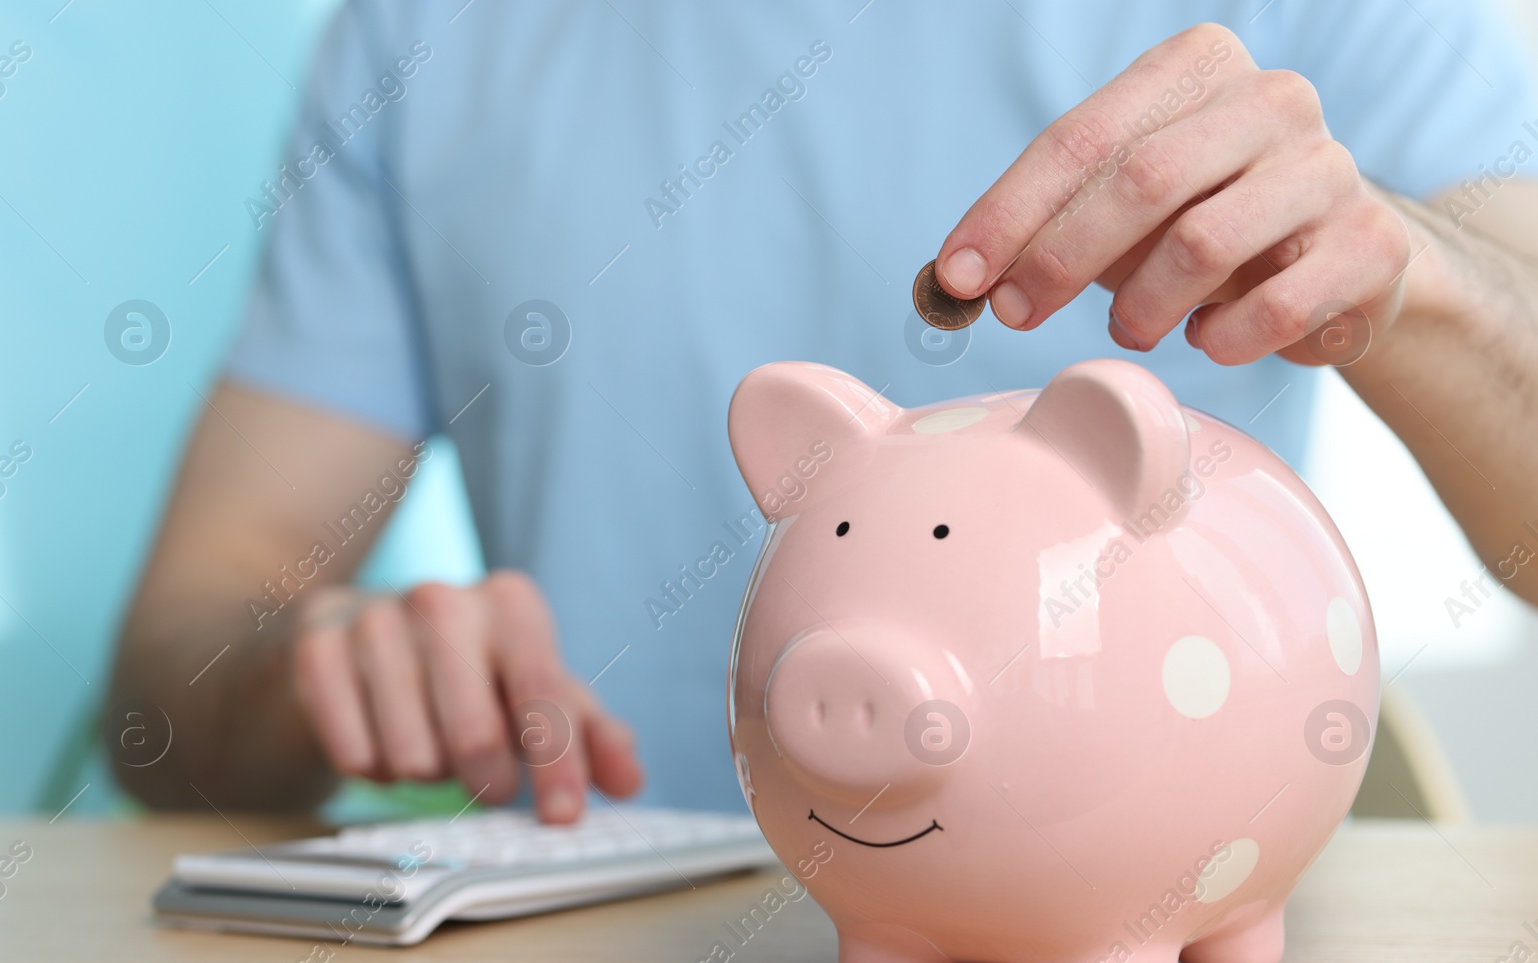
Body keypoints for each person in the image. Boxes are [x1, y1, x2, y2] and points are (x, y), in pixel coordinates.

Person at [107, 0, 1538, 820]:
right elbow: (159, 695)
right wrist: (310, 660)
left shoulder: (1342, 20)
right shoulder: (420, 36)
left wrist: (1419, 285)